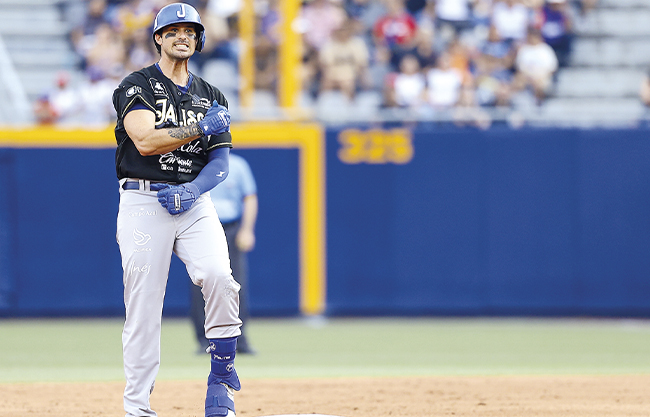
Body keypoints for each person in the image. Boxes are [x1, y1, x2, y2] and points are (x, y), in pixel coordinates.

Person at [112, 3, 241, 417]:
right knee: (144, 306)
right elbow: (145, 141)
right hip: (143, 199)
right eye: (173, 31)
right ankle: (137, 407)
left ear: (198, 40)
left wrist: (193, 190)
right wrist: (200, 127)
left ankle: (221, 381)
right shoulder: (138, 84)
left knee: (220, 276)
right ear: (158, 39)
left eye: (189, 31)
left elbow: (220, 164)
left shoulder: (212, 95)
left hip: (193, 201)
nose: (181, 36)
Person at [191, 153, 258, 355]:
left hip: (230, 228)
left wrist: (247, 230)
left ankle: (239, 339)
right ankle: (205, 340)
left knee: (235, 283)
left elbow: (249, 197)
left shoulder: (237, 164)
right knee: (200, 283)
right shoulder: (193, 161)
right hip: (201, 228)